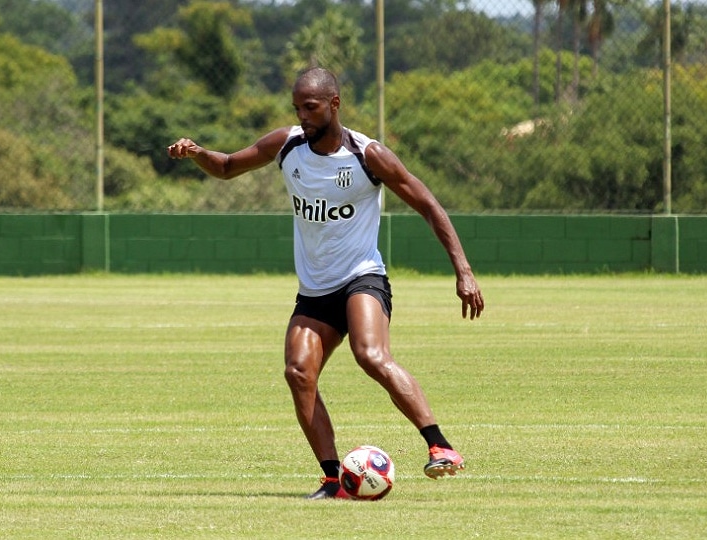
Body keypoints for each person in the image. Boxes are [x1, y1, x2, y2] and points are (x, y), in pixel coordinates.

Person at [167, 67, 484, 499]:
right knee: (299, 372)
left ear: (334, 104)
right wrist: (198, 152)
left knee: (370, 354)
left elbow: (428, 204)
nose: (303, 117)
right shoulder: (287, 144)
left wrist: (463, 270)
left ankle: (441, 445)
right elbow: (225, 167)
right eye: (297, 108)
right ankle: (334, 479)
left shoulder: (368, 155)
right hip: (315, 290)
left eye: (311, 108)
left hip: (362, 278)